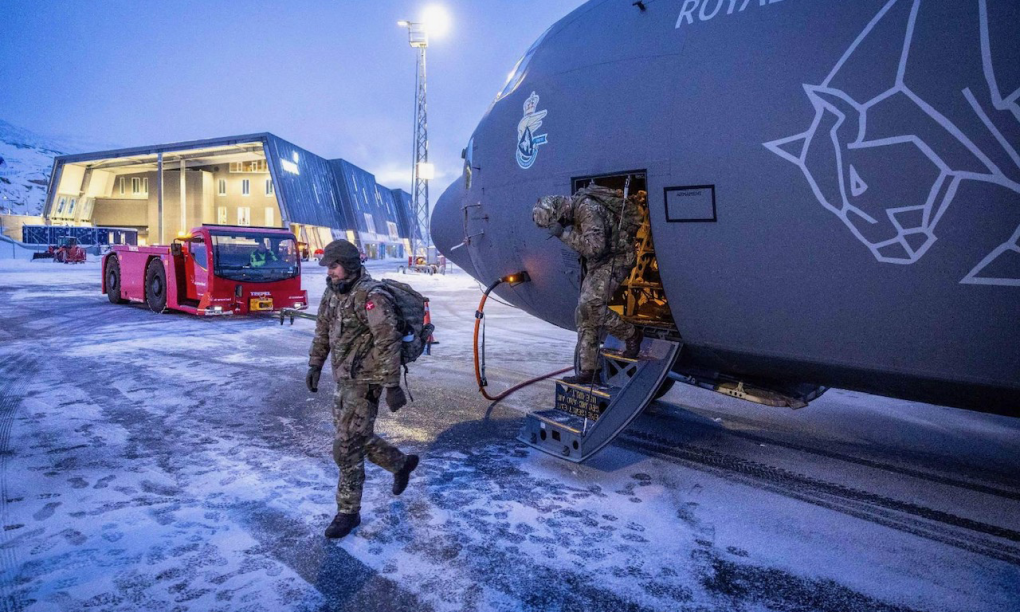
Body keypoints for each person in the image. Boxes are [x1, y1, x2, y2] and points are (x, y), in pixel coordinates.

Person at [306, 239, 419, 539]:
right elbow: (322, 331)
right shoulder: (333, 293)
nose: (330, 272)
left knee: (346, 447)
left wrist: (392, 385)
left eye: (334, 266)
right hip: (343, 379)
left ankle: (348, 512)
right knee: (357, 437)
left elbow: (388, 342)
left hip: (367, 382)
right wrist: (315, 364)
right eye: (328, 267)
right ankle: (400, 464)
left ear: (350, 265)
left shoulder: (372, 297)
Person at [532, 186, 645, 384]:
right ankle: (589, 370)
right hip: (600, 263)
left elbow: (595, 248)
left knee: (591, 305)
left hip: (616, 260)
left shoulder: (587, 209)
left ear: (559, 213)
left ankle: (631, 334)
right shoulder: (576, 212)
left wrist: (563, 235)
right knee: (583, 313)